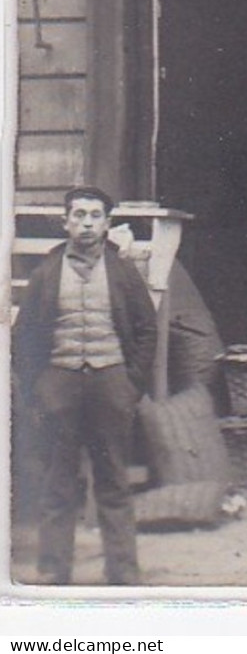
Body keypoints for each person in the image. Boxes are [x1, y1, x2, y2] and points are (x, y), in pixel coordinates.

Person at [12, 187, 158, 585]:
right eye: (79, 215)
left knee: (113, 479)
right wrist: (39, 388)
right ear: (66, 222)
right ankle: (53, 570)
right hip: (59, 384)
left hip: (111, 383)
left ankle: (123, 572)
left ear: (108, 224)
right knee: (57, 481)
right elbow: (23, 336)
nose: (87, 223)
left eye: (95, 215)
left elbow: (147, 330)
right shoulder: (46, 272)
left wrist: (130, 385)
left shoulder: (123, 272)